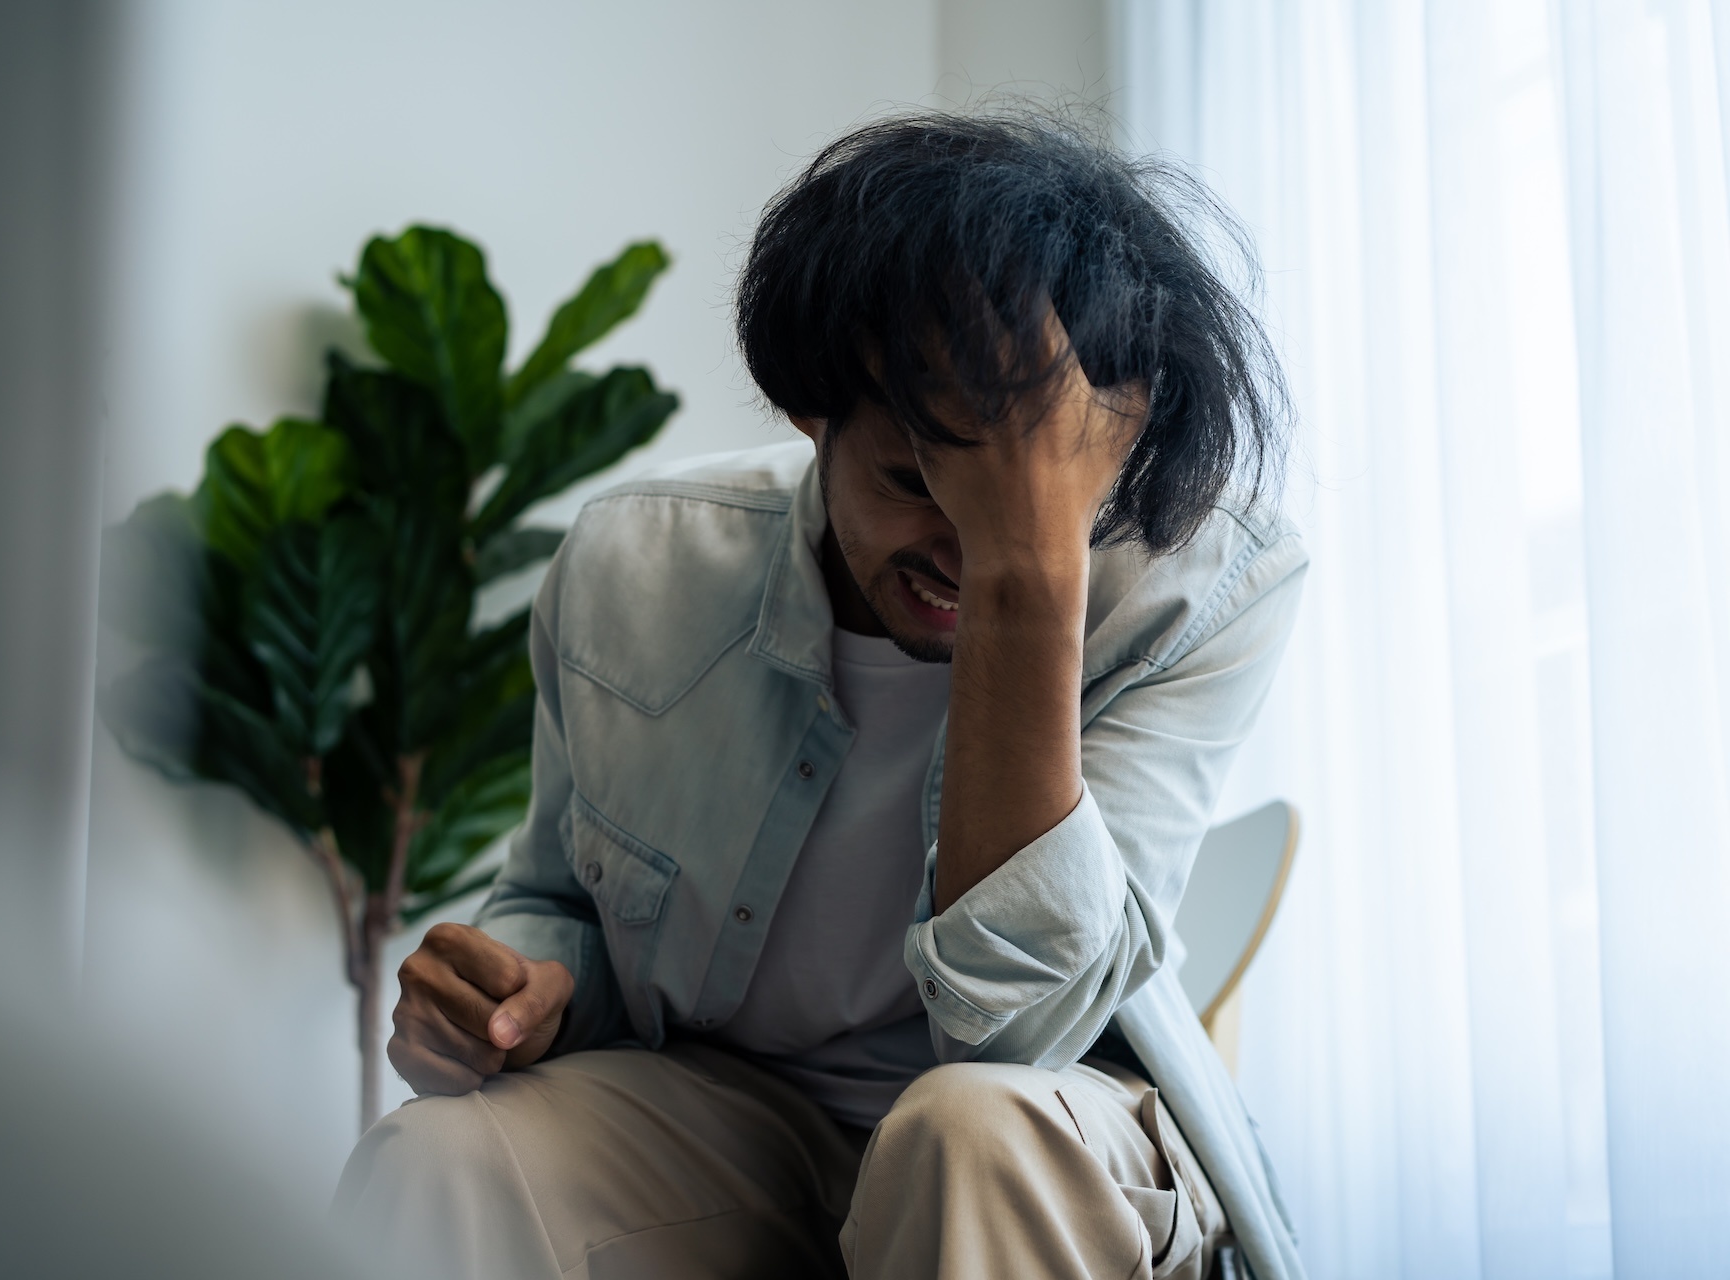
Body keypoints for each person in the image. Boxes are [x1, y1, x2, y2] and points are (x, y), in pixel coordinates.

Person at [334, 111, 1309, 1280]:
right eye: (914, 478)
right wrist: (512, 983)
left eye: (1040, 505)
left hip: (1046, 1123)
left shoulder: (1205, 586)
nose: (962, 544)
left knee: (966, 1131)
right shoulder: (635, 567)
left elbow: (1018, 1029)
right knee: (442, 1154)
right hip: (730, 1121)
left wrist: (1031, 571)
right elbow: (559, 899)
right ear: (812, 409)